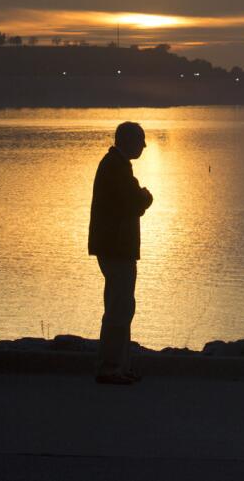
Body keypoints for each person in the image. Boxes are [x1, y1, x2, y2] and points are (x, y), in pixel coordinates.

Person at [87, 120, 153, 384]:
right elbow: (134, 202)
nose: (145, 146)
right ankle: (110, 367)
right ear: (127, 141)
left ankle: (119, 365)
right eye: (140, 140)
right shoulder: (116, 167)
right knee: (119, 307)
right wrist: (146, 196)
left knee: (121, 305)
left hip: (114, 247)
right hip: (116, 247)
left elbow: (128, 201)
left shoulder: (117, 165)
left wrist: (139, 197)